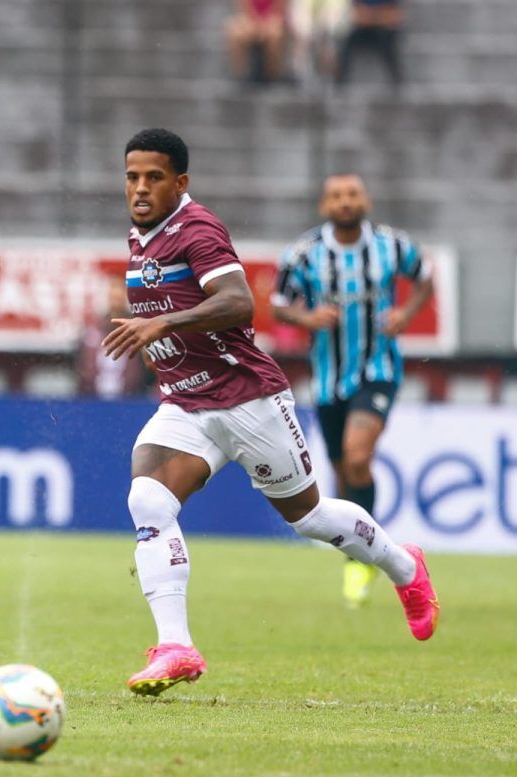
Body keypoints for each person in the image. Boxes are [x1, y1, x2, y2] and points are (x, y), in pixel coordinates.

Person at [102, 128, 439, 697]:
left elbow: (238, 301)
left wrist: (164, 323)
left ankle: (404, 567)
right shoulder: (142, 236)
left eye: (154, 177)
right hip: (187, 402)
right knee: (148, 498)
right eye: (132, 176)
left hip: (248, 397)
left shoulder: (197, 229)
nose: (140, 187)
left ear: (179, 182)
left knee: (308, 518)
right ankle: (176, 647)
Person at [272, 174, 433, 608]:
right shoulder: (305, 253)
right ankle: (359, 548)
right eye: (337, 196)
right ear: (325, 205)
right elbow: (278, 304)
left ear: (366, 200)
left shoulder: (391, 246)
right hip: (327, 378)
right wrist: (306, 319)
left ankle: (362, 563)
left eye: (353, 194)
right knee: (343, 471)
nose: (346, 202)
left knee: (358, 456)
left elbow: (425, 277)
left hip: (377, 369)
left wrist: (406, 312)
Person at [336, 0, 404, 86]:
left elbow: (394, 16)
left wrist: (372, 16)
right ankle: (340, 81)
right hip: (365, 30)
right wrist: (376, 16)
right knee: (347, 42)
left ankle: (397, 80)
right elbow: (358, 15)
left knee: (387, 45)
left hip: (384, 32)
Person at [224, 0, 289, 84]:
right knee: (235, 32)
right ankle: (241, 75)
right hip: (252, 22)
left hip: (272, 22)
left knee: (275, 34)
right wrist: (256, 25)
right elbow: (244, 10)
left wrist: (265, 26)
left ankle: (273, 75)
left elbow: (280, 11)